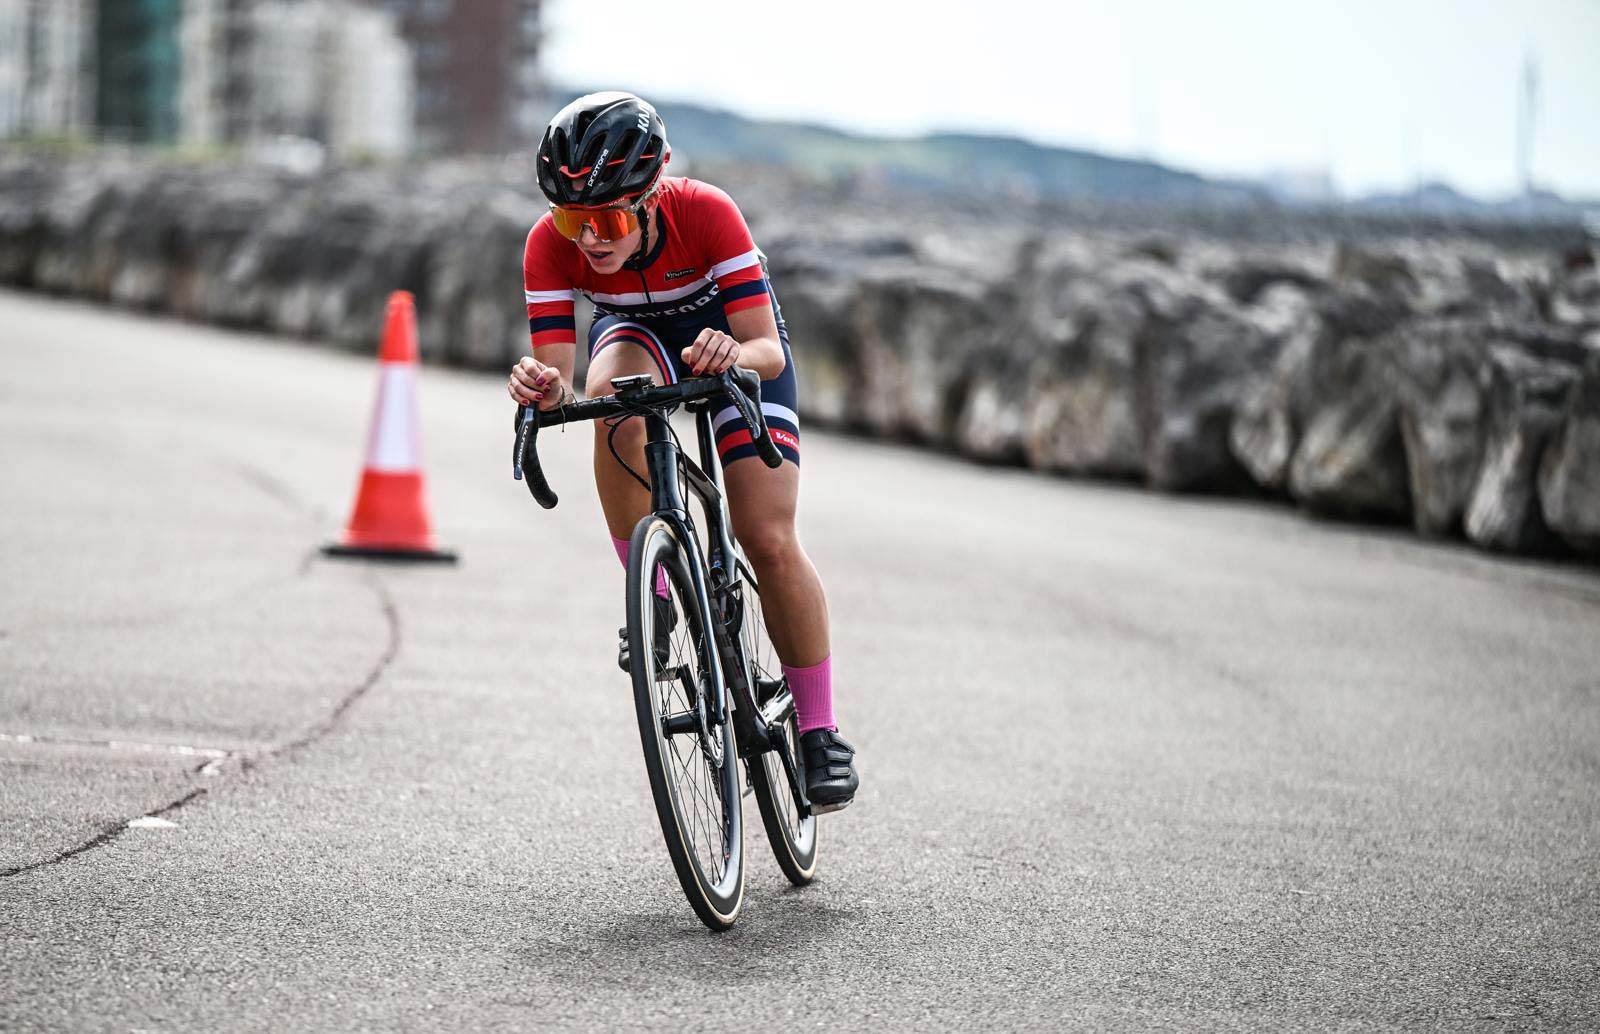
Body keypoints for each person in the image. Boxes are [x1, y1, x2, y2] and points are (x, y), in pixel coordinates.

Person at [507, 92, 858, 812]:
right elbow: (567, 387)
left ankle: (819, 732)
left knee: (764, 534)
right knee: (614, 401)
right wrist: (544, 390)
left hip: (730, 344)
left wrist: (734, 350)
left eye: (606, 219)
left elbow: (762, 345)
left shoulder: (706, 211)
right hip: (635, 339)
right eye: (574, 220)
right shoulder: (549, 244)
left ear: (653, 193)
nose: (590, 241)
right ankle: (655, 592)